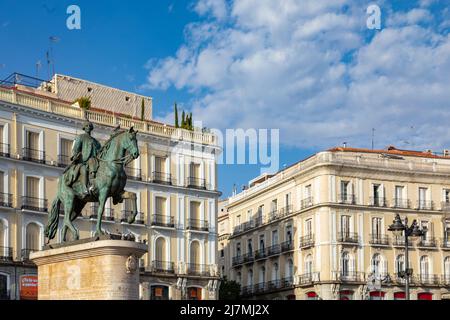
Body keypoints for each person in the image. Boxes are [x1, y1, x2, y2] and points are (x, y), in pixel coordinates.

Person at [71, 120, 102, 196]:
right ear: (84, 128)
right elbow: (76, 149)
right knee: (84, 170)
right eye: (87, 126)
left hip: (94, 161)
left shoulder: (95, 141)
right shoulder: (80, 137)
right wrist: (75, 156)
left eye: (90, 126)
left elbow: (100, 151)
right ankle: (84, 188)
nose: (88, 127)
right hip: (83, 161)